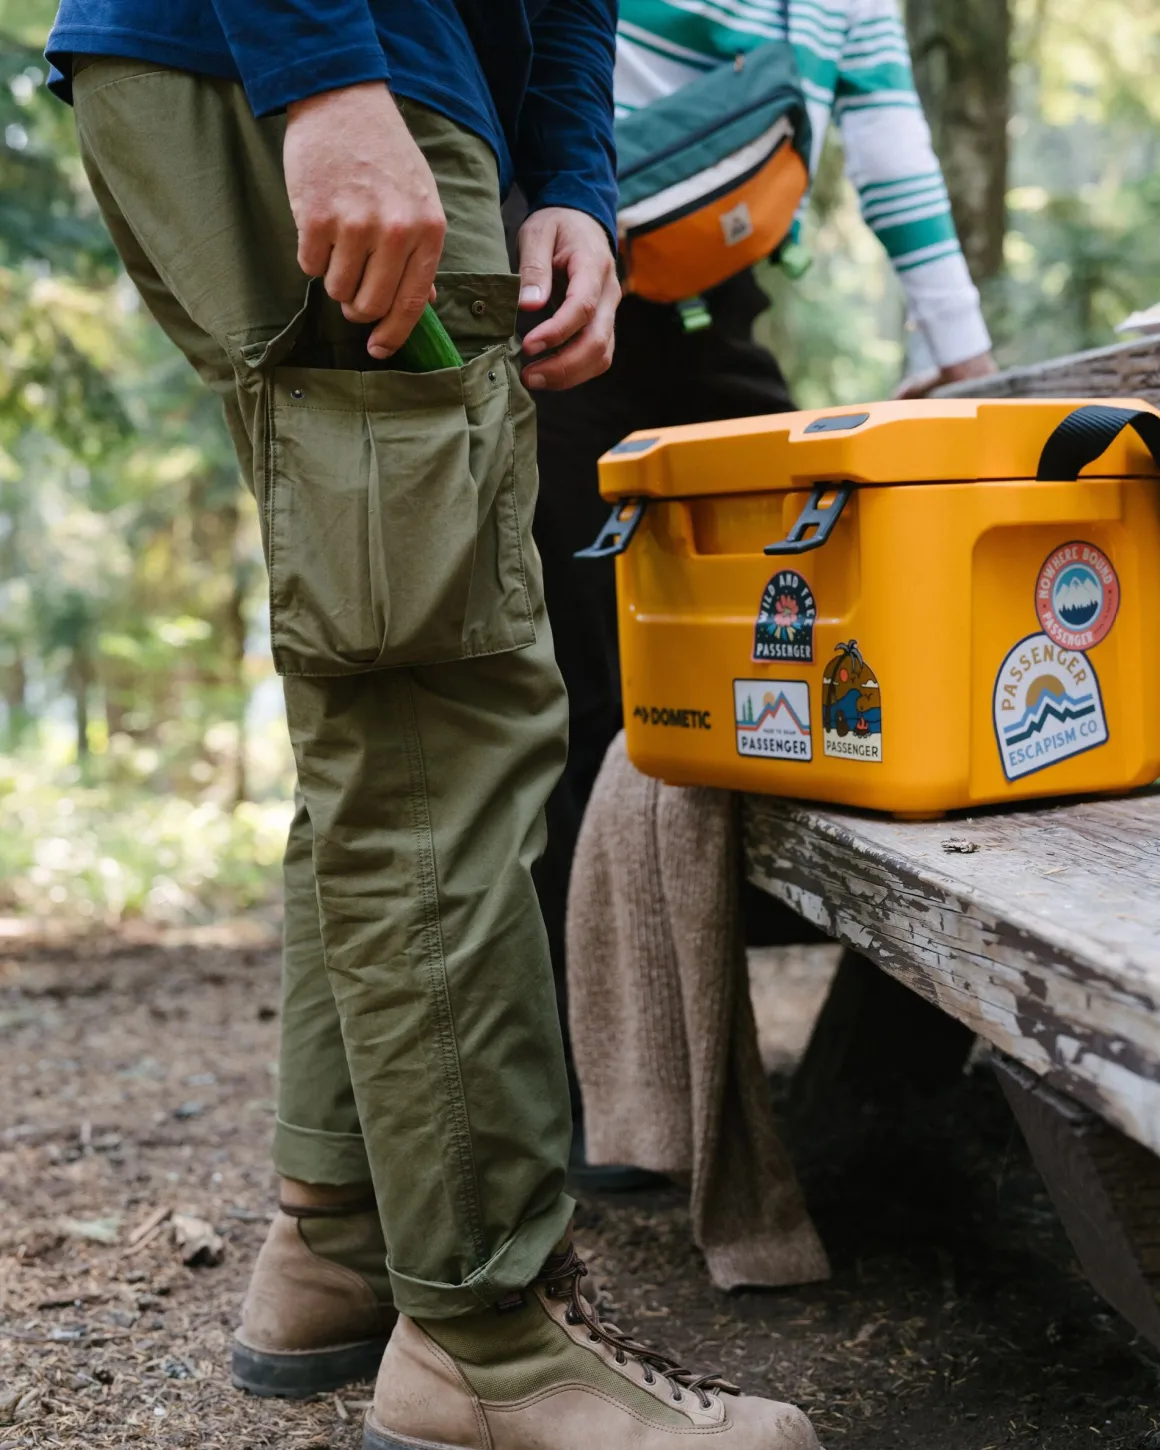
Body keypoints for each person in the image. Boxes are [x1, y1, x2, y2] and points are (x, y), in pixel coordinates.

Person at [44, 5, 821, 1450]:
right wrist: (328, 75)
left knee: (384, 692)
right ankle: (485, 1334)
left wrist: (574, 179)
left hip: (351, 58)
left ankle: (334, 1240)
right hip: (336, 49)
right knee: (443, 714)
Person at [530, 0, 998, 1186]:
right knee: (587, 709)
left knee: (767, 683)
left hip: (711, 323)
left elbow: (888, 140)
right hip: (561, 304)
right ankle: (598, 1095)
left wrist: (962, 357)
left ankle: (712, 1063)